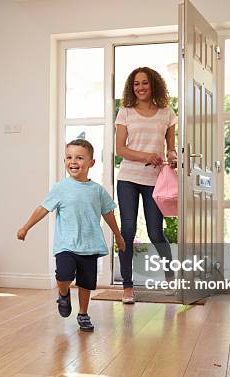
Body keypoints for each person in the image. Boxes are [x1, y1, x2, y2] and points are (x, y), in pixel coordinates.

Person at [17, 139, 125, 332]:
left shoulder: (98, 191)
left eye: (79, 158)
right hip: (66, 244)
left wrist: (119, 236)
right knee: (64, 275)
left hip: (89, 245)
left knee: (86, 283)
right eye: (69, 157)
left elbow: (108, 213)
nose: (73, 161)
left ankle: (83, 314)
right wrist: (26, 227)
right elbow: (43, 209)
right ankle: (63, 293)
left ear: (91, 163)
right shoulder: (61, 188)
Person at [115, 66, 178, 304]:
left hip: (155, 181)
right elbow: (121, 149)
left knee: (155, 233)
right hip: (128, 178)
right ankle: (127, 287)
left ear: (154, 85)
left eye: (144, 83)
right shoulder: (125, 113)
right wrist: (146, 156)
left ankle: (171, 277)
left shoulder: (167, 113)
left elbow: (170, 146)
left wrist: (171, 156)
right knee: (127, 231)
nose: (140, 87)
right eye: (136, 84)